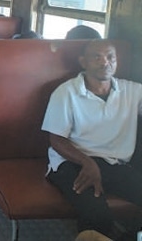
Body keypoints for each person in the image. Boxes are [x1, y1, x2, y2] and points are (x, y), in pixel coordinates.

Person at [41, 39, 142, 240]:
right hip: (71, 163)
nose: (105, 62)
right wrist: (87, 162)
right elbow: (56, 140)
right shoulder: (66, 92)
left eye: (111, 57)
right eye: (97, 57)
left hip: (113, 163)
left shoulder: (132, 91)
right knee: (96, 215)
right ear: (83, 62)